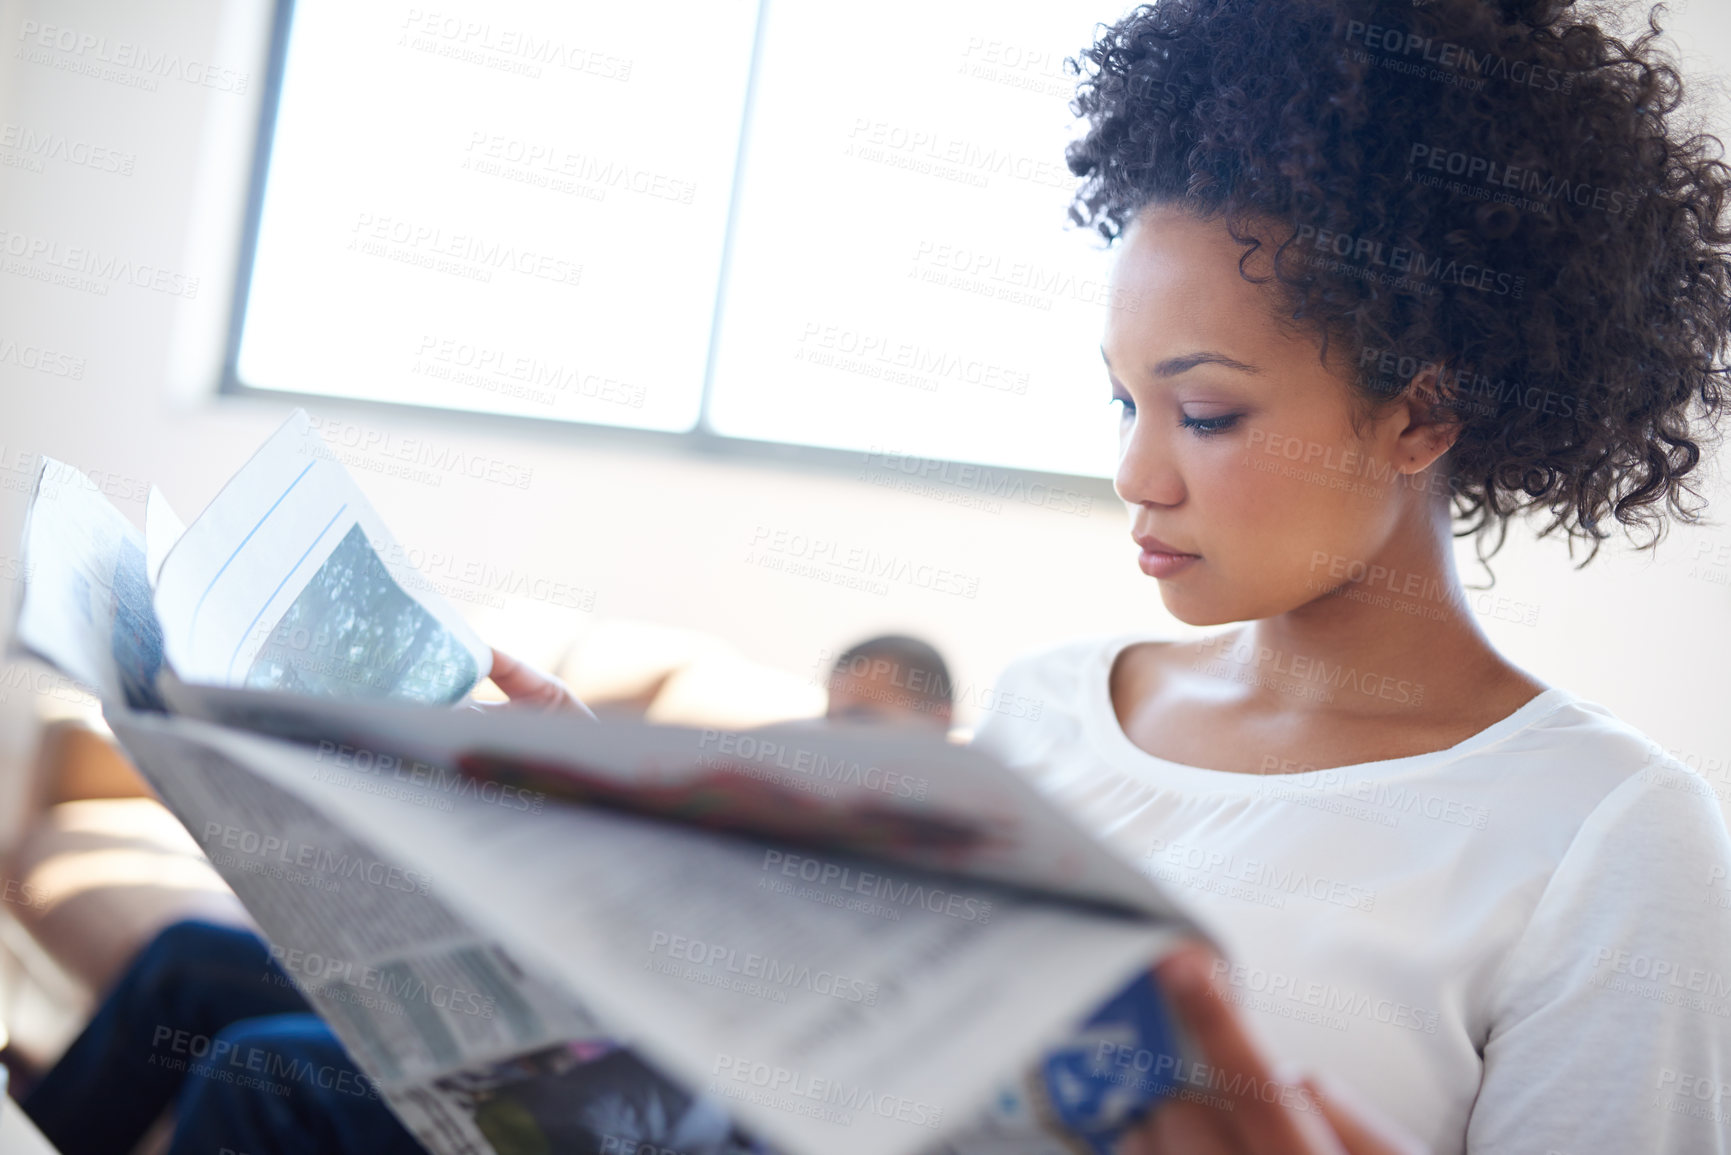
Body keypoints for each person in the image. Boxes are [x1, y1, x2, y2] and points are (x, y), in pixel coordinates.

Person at [960, 0, 1731, 1150]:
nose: (1135, 474)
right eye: (1128, 401)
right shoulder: (1044, 712)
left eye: (1208, 413)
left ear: (1424, 412)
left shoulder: (1608, 837)